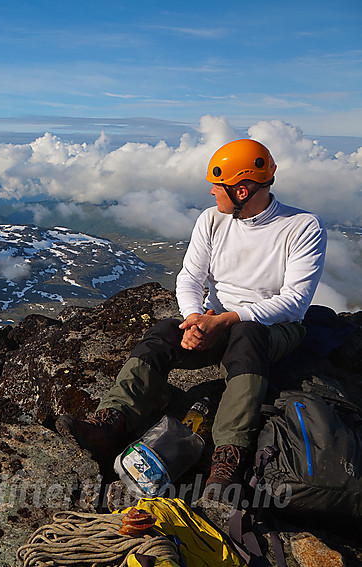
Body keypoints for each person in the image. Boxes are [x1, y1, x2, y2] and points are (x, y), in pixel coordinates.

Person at [56, 138, 327, 500]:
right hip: (213, 321)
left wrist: (227, 320)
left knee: (247, 334)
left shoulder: (302, 227)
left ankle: (228, 456)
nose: (213, 192)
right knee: (162, 333)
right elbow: (189, 277)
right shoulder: (212, 220)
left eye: (219, 186)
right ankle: (112, 421)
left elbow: (294, 302)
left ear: (242, 189)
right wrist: (193, 320)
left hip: (274, 329)